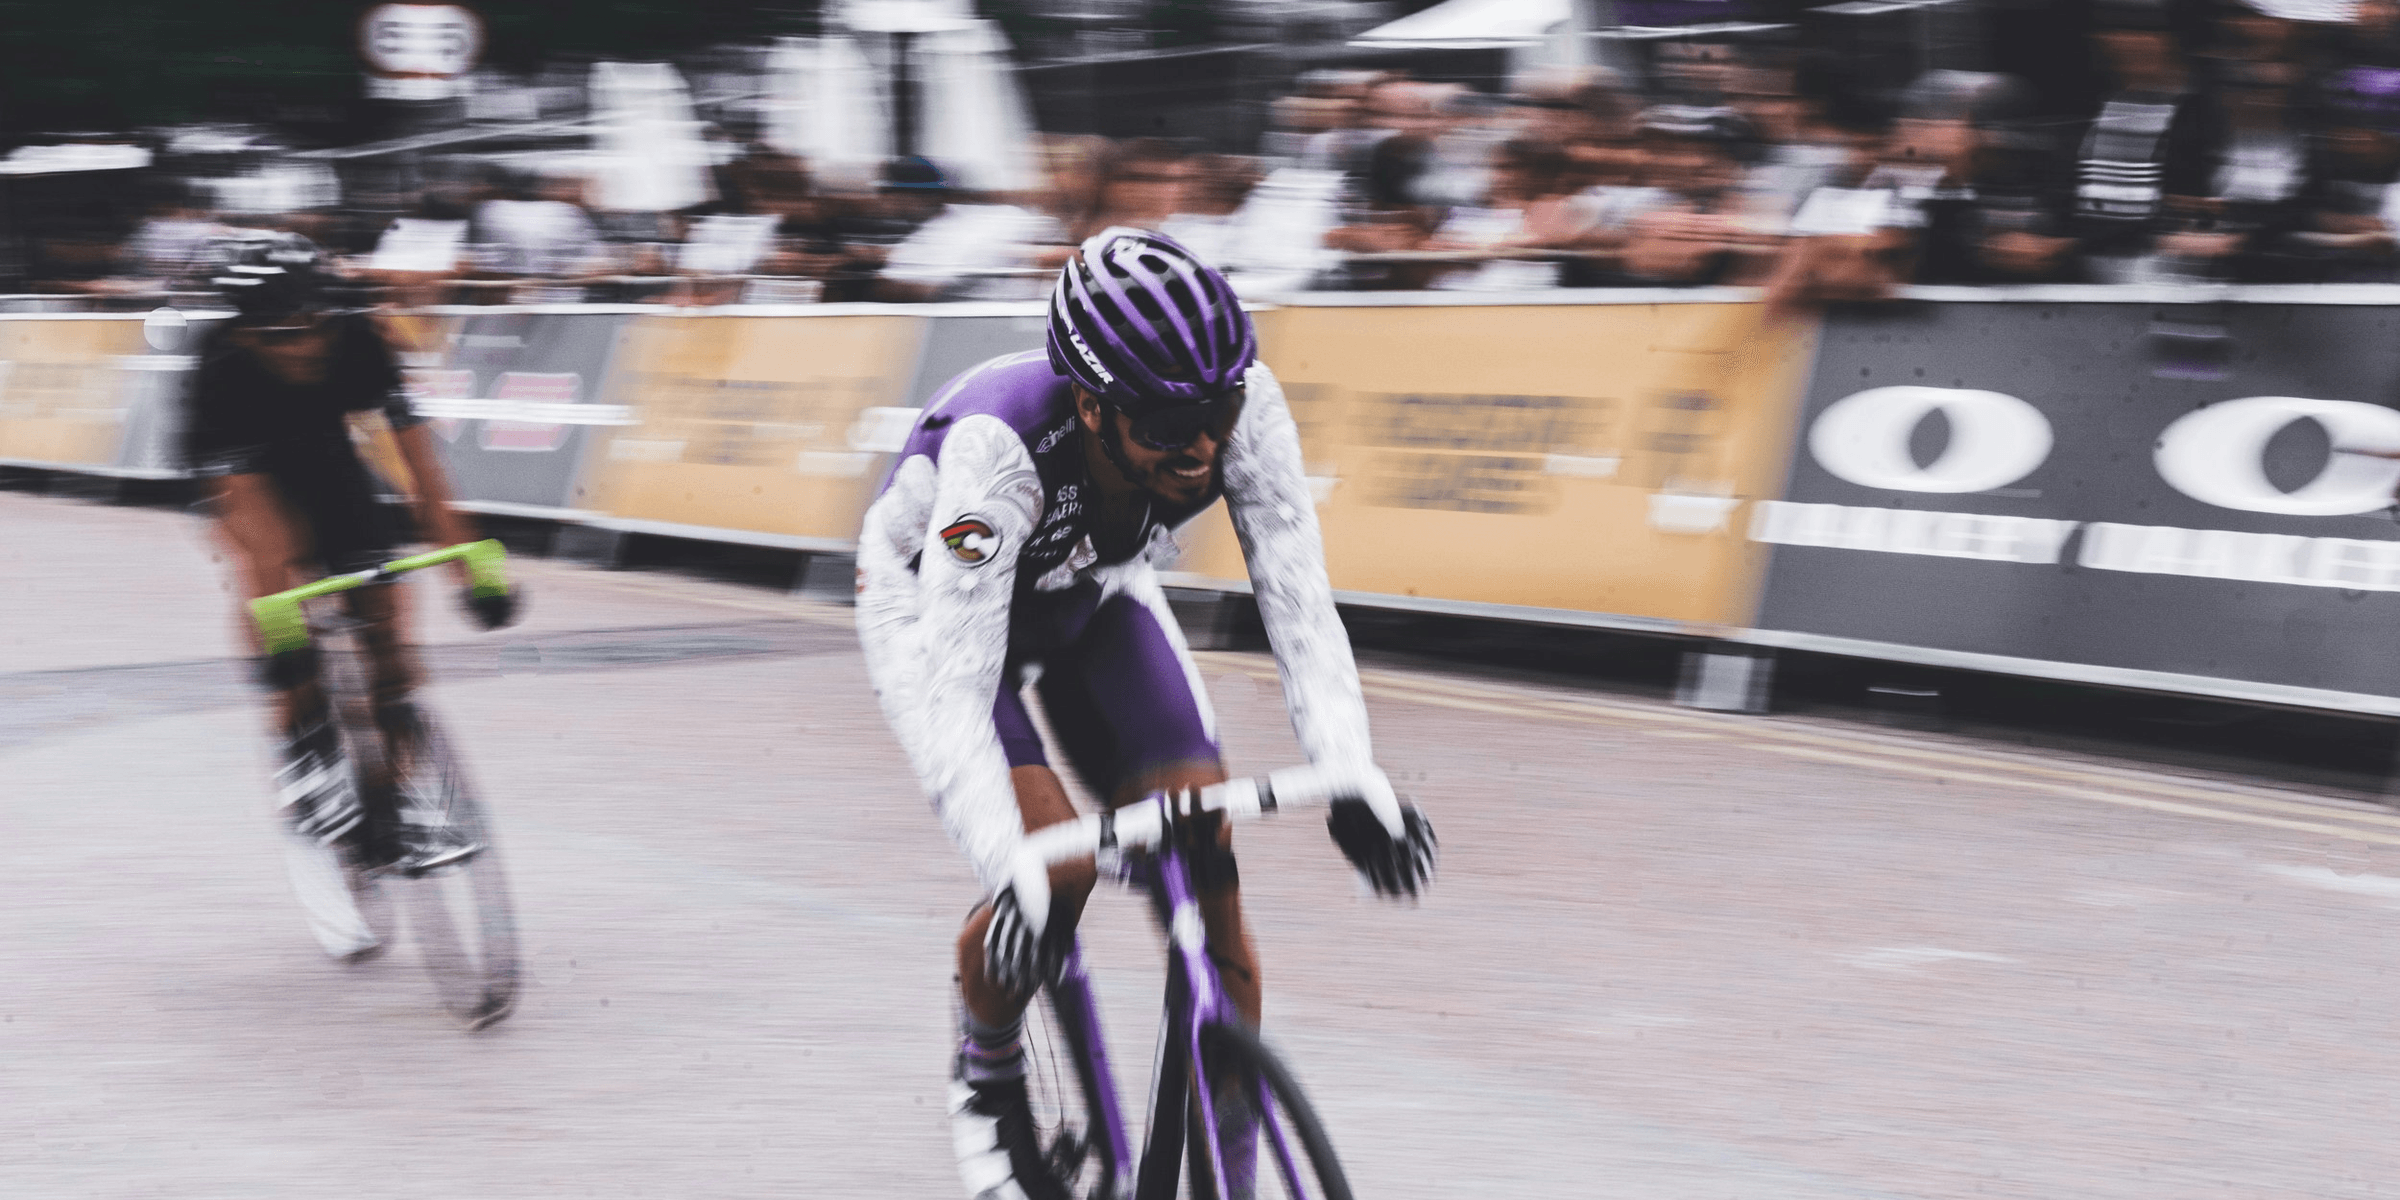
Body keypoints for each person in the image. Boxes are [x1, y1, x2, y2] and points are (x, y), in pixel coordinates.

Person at [854, 228, 1437, 1200]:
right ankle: (988, 1068)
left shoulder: (1243, 410)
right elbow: (959, 685)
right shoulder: (995, 456)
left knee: (1208, 878)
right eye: (1170, 424)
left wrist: (1348, 772)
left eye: (1215, 410)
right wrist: (1015, 871)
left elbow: (1297, 598)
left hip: (1092, 586)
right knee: (1059, 868)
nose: (1202, 444)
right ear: (1090, 404)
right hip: (938, 617)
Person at [184, 232, 517, 899]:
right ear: (244, 332)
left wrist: (473, 575)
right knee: (280, 606)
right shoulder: (217, 368)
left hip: (331, 467)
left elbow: (425, 474)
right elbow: (264, 545)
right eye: (279, 336)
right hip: (246, 475)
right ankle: (303, 752)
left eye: (312, 326)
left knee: (388, 634)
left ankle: (400, 801)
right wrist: (282, 643)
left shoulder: (360, 339)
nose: (303, 346)